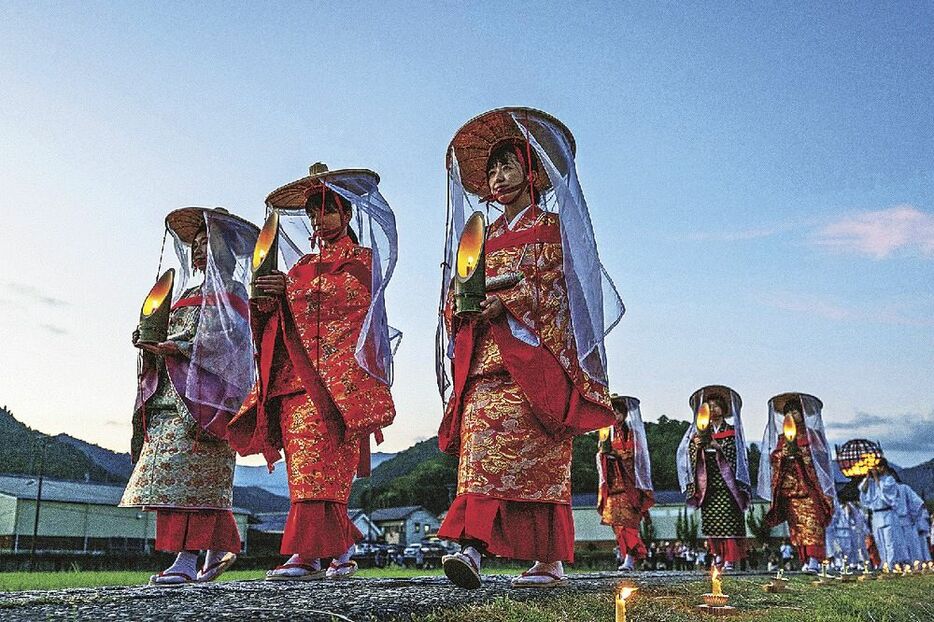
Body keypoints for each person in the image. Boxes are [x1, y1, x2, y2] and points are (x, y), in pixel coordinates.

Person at [435, 108, 624, 589]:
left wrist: (511, 303)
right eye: (492, 169)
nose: (498, 176)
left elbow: (568, 295)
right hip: (486, 366)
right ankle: (471, 550)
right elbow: (457, 294)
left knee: (538, 465)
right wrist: (463, 307)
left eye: (507, 165)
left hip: (536, 363)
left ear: (531, 169)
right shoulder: (481, 237)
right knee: (478, 457)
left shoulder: (555, 228)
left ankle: (548, 560)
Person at [228, 164, 398, 581]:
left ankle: (308, 555)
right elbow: (280, 323)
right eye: (313, 212)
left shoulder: (363, 260)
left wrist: (294, 294)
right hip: (296, 381)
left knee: (327, 469)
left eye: (327, 210)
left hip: (338, 381)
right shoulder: (299, 267)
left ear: (347, 215)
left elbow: (359, 308)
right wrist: (266, 304)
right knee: (304, 467)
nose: (319, 220)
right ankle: (334, 552)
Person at [121, 207, 259, 585]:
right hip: (170, 395)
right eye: (195, 244)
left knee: (196, 479)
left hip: (208, 400)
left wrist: (179, 346)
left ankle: (186, 558)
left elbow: (232, 345)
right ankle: (217, 546)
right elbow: (166, 332)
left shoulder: (233, 292)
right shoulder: (188, 293)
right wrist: (149, 342)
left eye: (207, 242)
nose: (199, 250)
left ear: (227, 251)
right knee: (175, 478)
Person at [758, 393, 835, 573]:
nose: (792, 415)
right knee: (797, 527)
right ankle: (805, 559)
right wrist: (783, 456)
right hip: (791, 490)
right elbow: (775, 458)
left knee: (812, 523)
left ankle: (815, 559)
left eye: (796, 411)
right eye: (789, 412)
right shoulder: (782, 439)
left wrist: (802, 455)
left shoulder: (813, 436)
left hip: (809, 487)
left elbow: (821, 459)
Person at [677, 386, 751, 571]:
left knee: (729, 521)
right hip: (708, 484)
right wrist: (698, 447)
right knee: (712, 522)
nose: (713, 410)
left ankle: (730, 559)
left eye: (717, 406)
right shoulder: (700, 431)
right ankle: (717, 555)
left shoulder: (732, 431)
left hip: (728, 485)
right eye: (709, 406)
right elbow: (690, 454)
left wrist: (718, 446)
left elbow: (738, 455)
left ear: (724, 409)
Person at [596, 395, 655, 571]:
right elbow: (600, 456)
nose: (615, 416)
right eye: (612, 413)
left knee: (629, 524)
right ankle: (625, 555)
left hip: (630, 486)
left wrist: (618, 455)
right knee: (617, 524)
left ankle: (630, 557)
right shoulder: (606, 434)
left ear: (624, 414)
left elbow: (637, 458)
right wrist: (604, 455)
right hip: (614, 486)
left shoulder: (632, 434)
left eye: (617, 412)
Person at [859, 458, 912, 567]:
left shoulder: (889, 480)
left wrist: (876, 478)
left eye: (878, 467)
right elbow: (862, 490)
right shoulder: (871, 481)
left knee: (889, 541)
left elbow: (886, 493)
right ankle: (885, 564)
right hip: (876, 515)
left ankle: (891, 564)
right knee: (879, 542)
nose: (876, 469)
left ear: (883, 467)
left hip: (887, 514)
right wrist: (868, 478)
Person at [825, 495, 870, 570]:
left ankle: (851, 563)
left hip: (849, 531)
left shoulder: (851, 506)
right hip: (838, 531)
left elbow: (858, 518)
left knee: (849, 549)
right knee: (839, 550)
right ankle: (839, 564)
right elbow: (833, 521)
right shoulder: (836, 507)